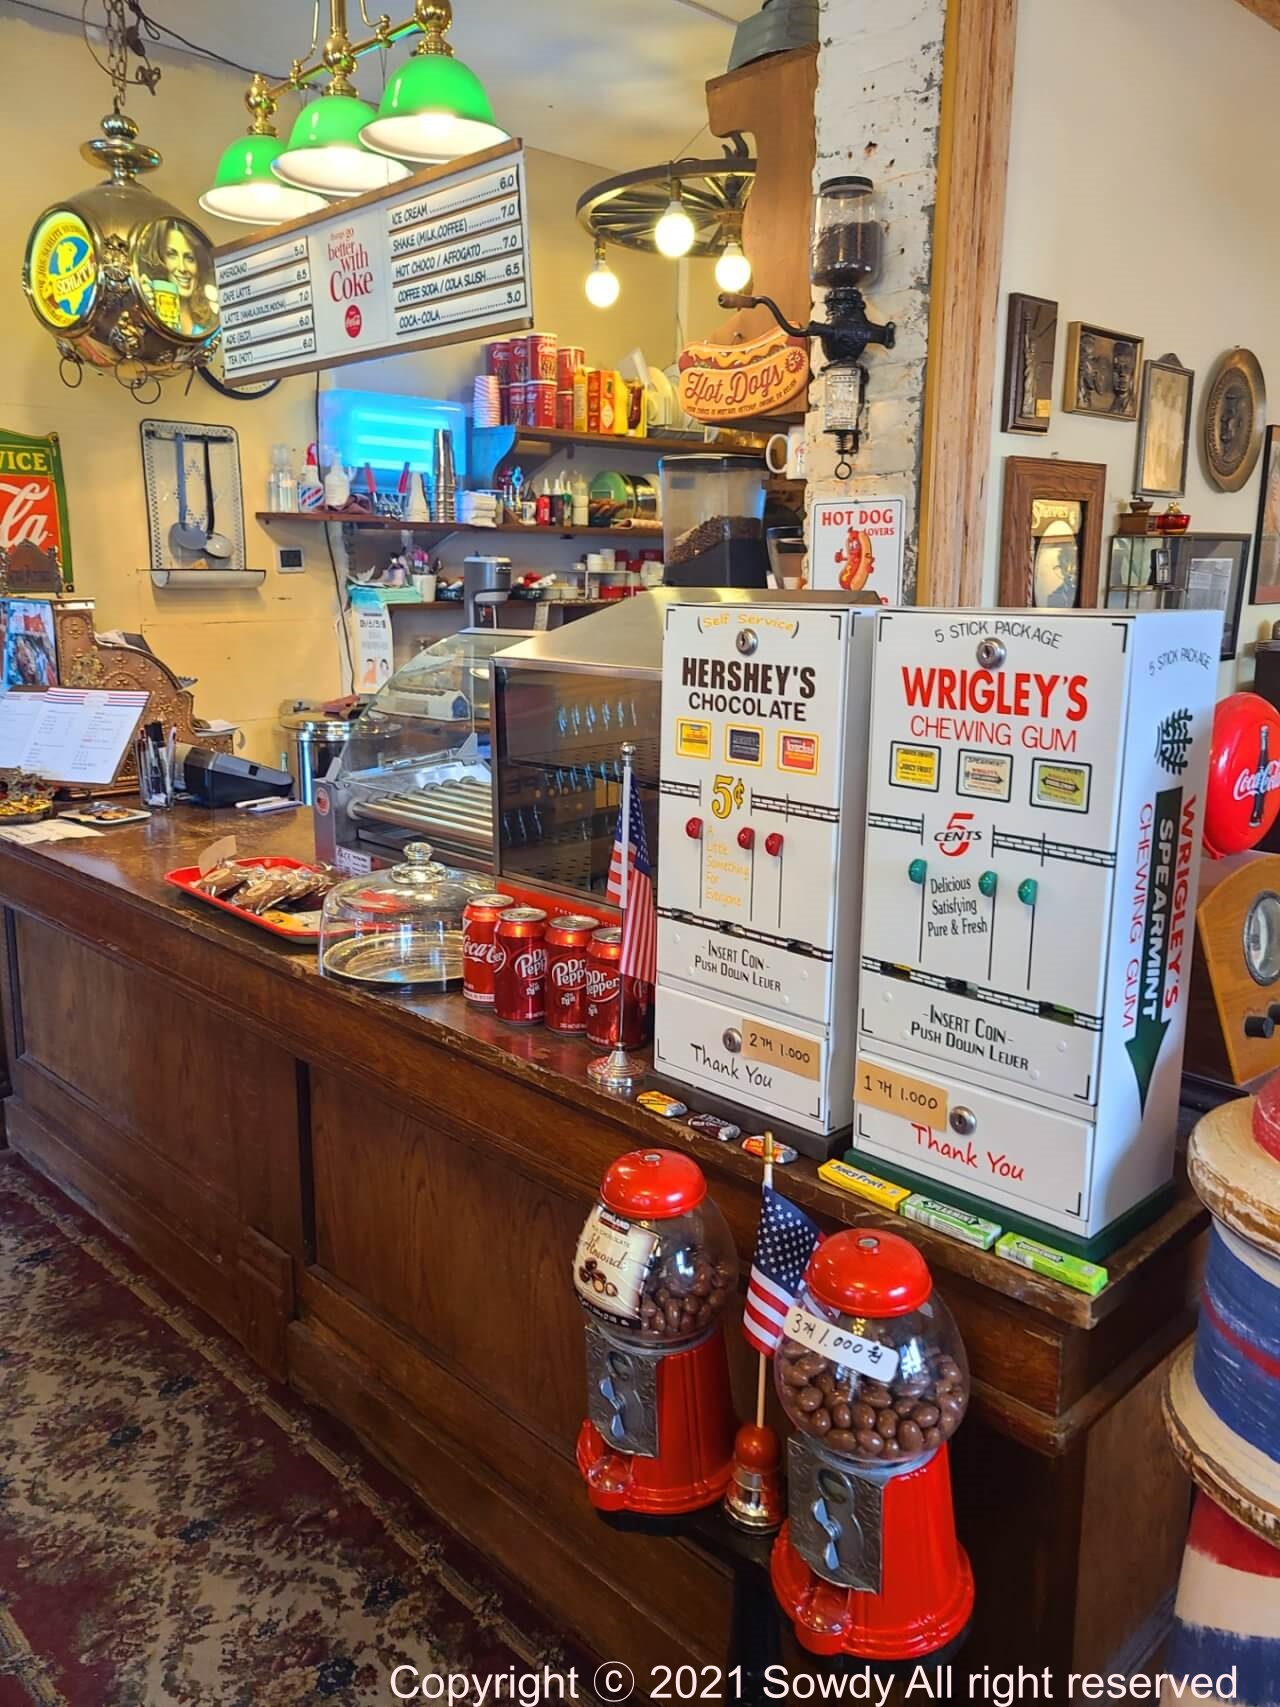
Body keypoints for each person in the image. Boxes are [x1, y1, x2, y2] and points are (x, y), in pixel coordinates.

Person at [137, 219, 217, 339]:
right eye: (172, 255)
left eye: (190, 258)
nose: (182, 268)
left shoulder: (213, 316)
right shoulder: (149, 307)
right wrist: (143, 311)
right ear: (160, 259)